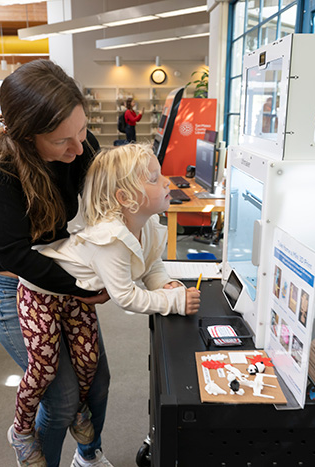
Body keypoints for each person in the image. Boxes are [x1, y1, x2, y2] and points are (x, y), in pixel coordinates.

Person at [14, 143, 201, 465]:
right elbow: (125, 296)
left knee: (89, 361)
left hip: (75, 300)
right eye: (155, 179)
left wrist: (165, 285)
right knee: (44, 368)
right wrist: (172, 301)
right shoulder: (110, 239)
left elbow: (151, 266)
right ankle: (21, 430)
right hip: (40, 296)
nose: (167, 183)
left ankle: (79, 413)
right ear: (126, 199)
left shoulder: (150, 227)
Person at [0, 59, 112, 467]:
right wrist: (85, 286)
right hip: (15, 286)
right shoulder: (0, 164)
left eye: (83, 130)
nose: (78, 148)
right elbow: (13, 254)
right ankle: (34, 447)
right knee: (62, 395)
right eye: (60, 141)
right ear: (23, 135)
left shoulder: (79, 143)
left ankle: (88, 455)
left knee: (98, 381)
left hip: (63, 273)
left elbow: (104, 206)